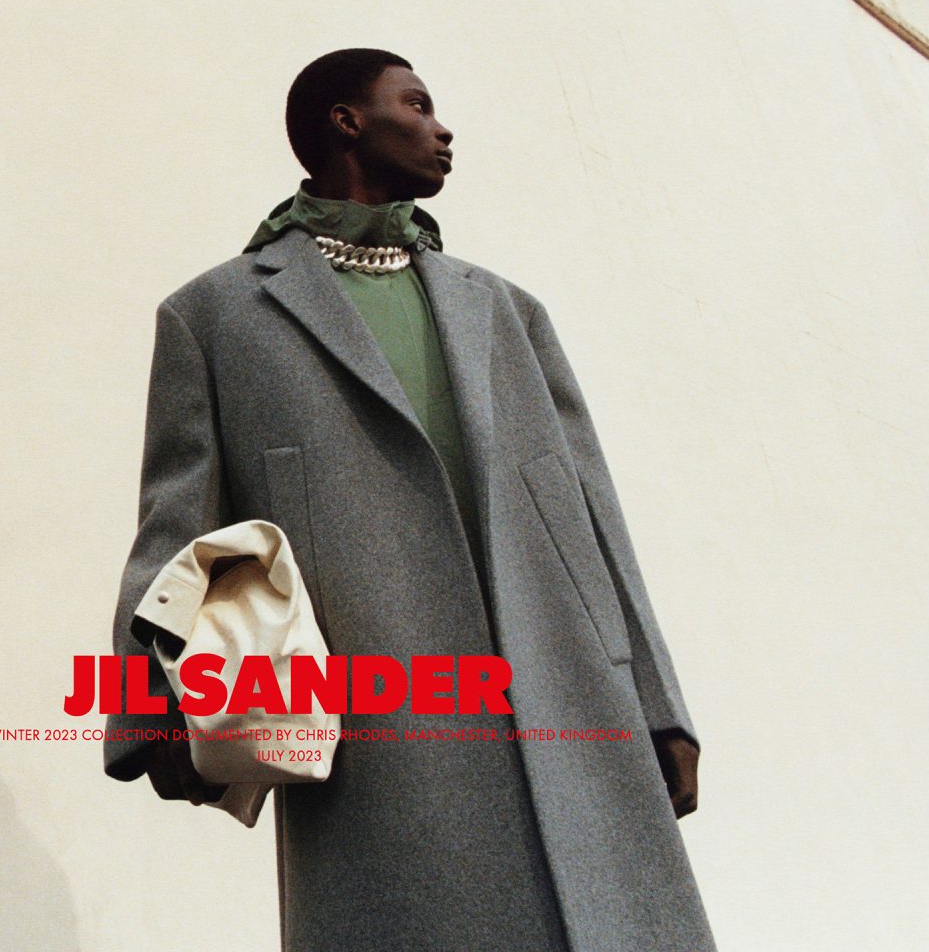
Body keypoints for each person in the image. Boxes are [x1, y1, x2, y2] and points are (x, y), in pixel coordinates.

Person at [104, 48, 716, 952]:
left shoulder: (505, 311)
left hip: (570, 702)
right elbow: (174, 526)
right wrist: (149, 705)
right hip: (381, 732)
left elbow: (590, 514)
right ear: (347, 122)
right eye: (418, 105)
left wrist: (658, 703)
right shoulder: (217, 317)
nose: (442, 128)